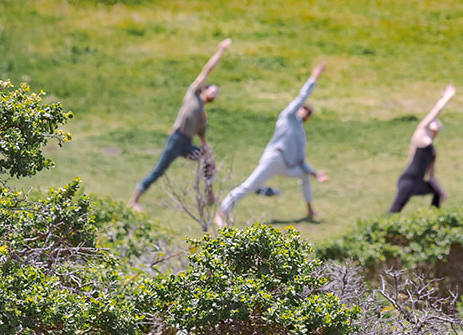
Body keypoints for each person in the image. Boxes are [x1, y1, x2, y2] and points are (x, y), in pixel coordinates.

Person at [216, 62, 330, 227]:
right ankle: (221, 213)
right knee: (249, 186)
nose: (305, 112)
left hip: (287, 166)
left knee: (305, 176)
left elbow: (301, 159)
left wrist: (315, 174)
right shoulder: (287, 117)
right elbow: (301, 97)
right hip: (274, 159)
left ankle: (310, 210)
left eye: (308, 112)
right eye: (304, 109)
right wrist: (314, 78)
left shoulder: (301, 133)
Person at [128, 38, 230, 212]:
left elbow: (203, 140)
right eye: (213, 89)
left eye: (217, 93)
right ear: (205, 89)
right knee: (159, 171)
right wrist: (221, 51)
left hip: (187, 144)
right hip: (176, 139)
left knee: (207, 162)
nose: (215, 93)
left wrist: (209, 156)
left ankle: (210, 196)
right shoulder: (193, 94)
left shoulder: (203, 118)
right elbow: (207, 70)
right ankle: (133, 201)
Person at [389, 84, 456, 212]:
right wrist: (447, 97)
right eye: (435, 130)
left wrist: (441, 191)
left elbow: (431, 176)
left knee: (436, 193)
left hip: (418, 183)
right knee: (395, 209)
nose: (436, 133)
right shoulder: (421, 134)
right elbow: (436, 111)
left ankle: (435, 218)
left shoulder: (433, 151)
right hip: (408, 180)